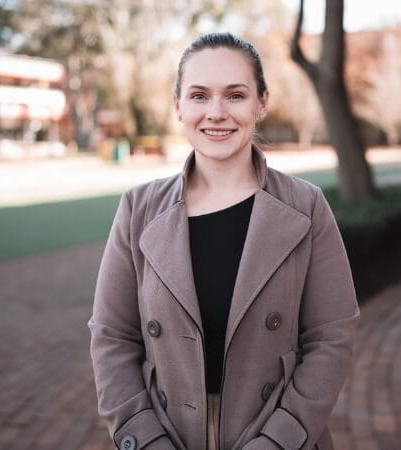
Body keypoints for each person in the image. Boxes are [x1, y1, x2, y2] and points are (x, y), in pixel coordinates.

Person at [89, 32, 360, 450]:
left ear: (261, 103)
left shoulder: (306, 206)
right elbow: (112, 336)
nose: (216, 113)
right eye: (199, 96)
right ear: (178, 105)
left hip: (280, 437)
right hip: (166, 434)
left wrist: (278, 439)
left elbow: (332, 336)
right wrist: (144, 438)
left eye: (235, 95)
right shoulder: (137, 208)